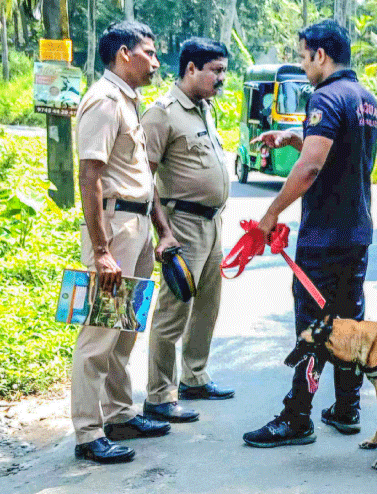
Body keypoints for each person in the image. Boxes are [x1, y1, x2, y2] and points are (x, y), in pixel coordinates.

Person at [242, 19, 377, 448]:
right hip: (356, 232)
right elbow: (337, 149)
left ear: (321, 55)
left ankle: (298, 417)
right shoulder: (367, 99)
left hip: (323, 239)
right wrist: (290, 136)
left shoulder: (325, 96)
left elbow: (312, 167)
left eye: (304, 58)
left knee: (314, 327)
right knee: (348, 322)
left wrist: (268, 216)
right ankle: (347, 409)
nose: (304, 67)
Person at [72, 21, 176, 464]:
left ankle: (117, 414)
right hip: (113, 229)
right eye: (148, 53)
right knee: (98, 334)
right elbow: (90, 176)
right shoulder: (104, 100)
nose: (155, 62)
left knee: (125, 330)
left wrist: (158, 229)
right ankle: (87, 432)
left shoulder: (129, 103)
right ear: (122, 55)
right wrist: (100, 250)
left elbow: (138, 176)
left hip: (135, 227)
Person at [140, 37, 234, 423]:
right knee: (174, 308)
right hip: (182, 224)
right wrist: (164, 233)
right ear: (191, 69)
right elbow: (144, 179)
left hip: (212, 224)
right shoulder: (161, 114)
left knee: (207, 305)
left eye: (224, 71)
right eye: (216, 70)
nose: (222, 79)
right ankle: (160, 395)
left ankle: (194, 376)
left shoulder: (204, 109)